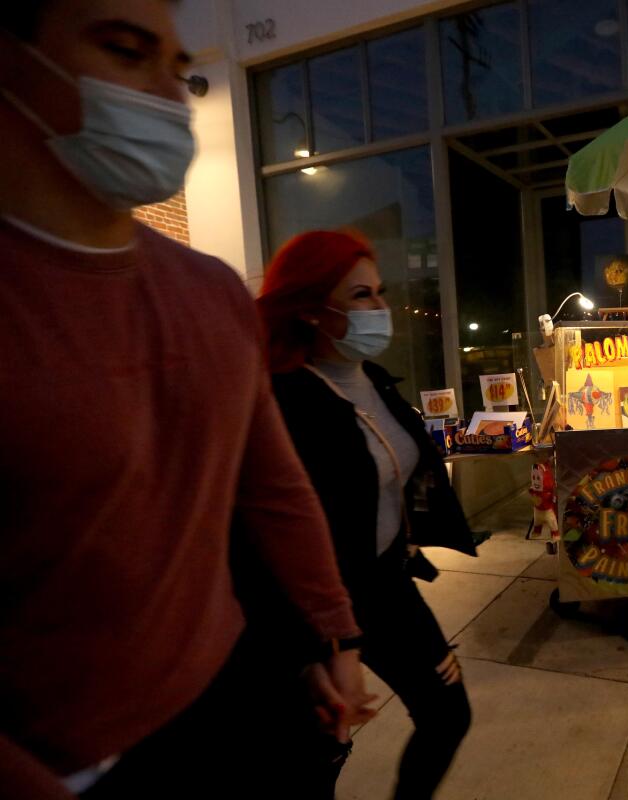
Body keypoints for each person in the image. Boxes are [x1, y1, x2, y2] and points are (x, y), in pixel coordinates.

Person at [0, 3, 376, 798]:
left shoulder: (206, 291)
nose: (169, 99)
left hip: (233, 700)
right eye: (127, 53)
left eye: (178, 67)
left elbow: (272, 488)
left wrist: (334, 632)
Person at [256, 230, 478, 800]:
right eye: (361, 296)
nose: (380, 309)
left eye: (380, 292)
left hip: (385, 584)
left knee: (447, 713)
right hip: (316, 605)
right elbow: (268, 535)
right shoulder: (282, 401)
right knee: (318, 753)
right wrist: (320, 652)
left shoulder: (373, 380)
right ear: (308, 310)